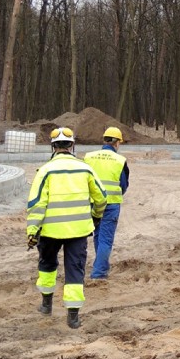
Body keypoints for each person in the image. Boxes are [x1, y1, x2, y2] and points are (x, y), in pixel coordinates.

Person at [26, 127, 106, 329]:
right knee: (75, 270)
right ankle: (73, 317)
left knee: (47, 265)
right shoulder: (85, 169)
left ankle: (46, 305)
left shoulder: (45, 170)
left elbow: (36, 203)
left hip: (50, 231)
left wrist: (32, 231)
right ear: (72, 145)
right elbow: (101, 198)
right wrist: (95, 216)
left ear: (53, 147)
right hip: (78, 231)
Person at [84, 127, 130, 280]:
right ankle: (99, 272)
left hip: (91, 203)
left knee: (98, 235)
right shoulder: (119, 160)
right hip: (110, 205)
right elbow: (123, 185)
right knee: (106, 239)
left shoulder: (89, 157)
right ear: (116, 142)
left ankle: (100, 264)